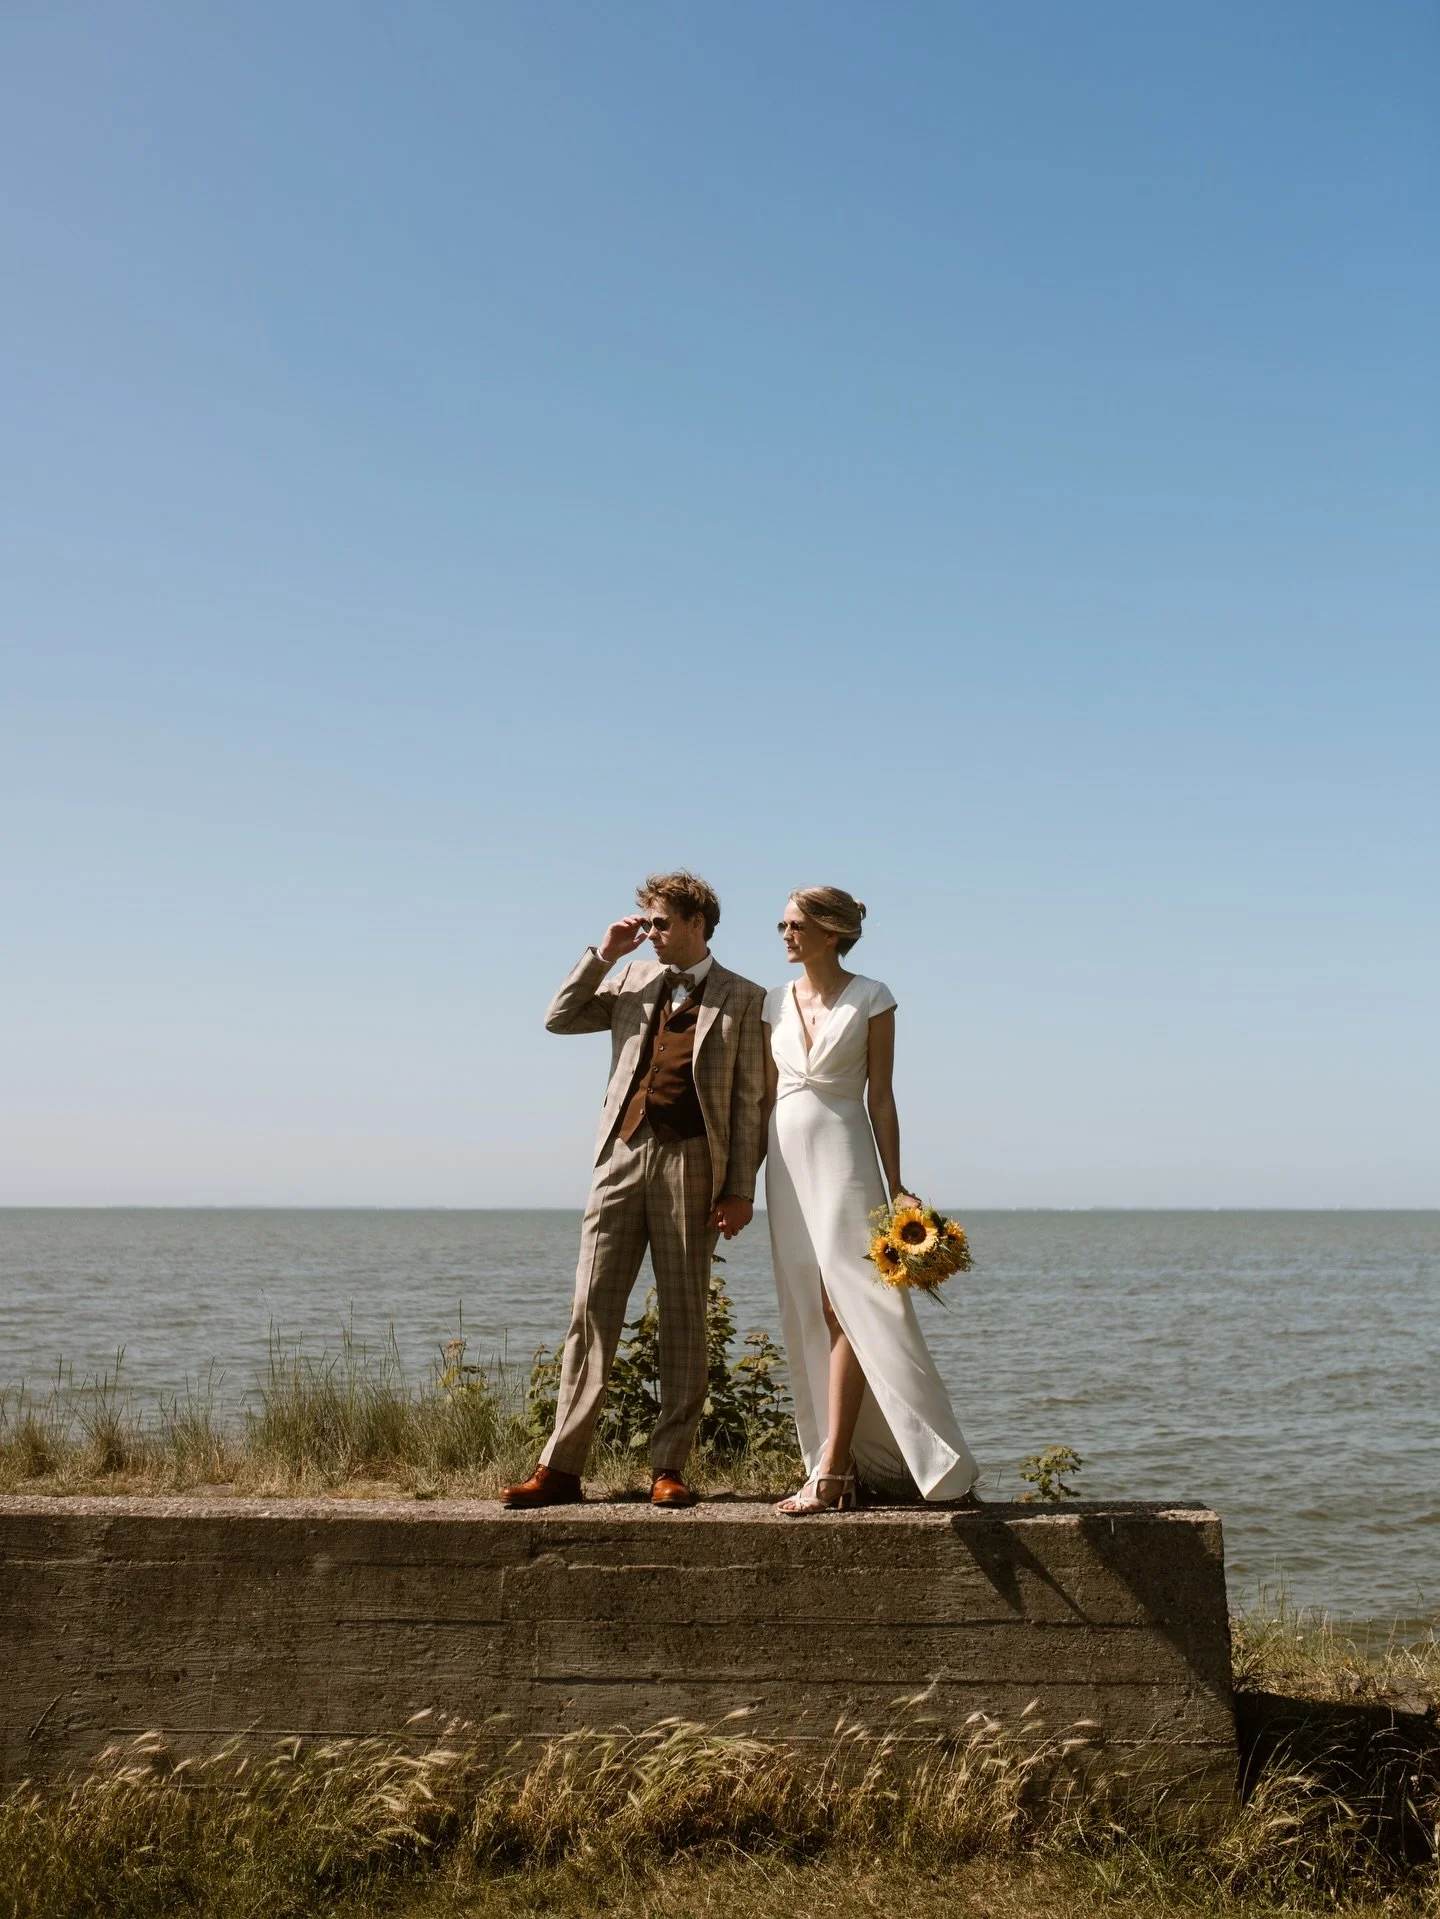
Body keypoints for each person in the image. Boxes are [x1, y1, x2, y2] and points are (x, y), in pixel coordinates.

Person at [503, 870, 766, 1510]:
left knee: (684, 1317)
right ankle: (560, 1468)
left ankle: (668, 1468)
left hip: (695, 1163)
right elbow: (559, 1019)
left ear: (698, 923)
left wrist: (740, 1188)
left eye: (661, 923)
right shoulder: (630, 978)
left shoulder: (745, 996)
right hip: (619, 1156)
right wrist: (604, 954)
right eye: (646, 922)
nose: (651, 934)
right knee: (591, 1309)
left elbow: (751, 1101)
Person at [762, 886, 978, 1513]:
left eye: (795, 924)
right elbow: (763, 1098)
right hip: (785, 1165)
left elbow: (880, 1095)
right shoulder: (771, 1002)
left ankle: (835, 1468)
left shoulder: (873, 998)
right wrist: (737, 1184)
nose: (785, 934)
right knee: (809, 1306)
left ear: (831, 932)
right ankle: (840, 1460)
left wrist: (897, 1183)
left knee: (854, 1303)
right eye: (782, 925)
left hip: (846, 1155)